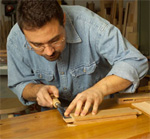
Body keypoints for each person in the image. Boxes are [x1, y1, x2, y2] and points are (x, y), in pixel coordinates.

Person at [7, 0, 148, 117]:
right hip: (53, 115)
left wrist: (98, 90)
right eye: (38, 45)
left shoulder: (91, 26)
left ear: (63, 19)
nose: (49, 52)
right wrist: (37, 90)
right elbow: (20, 82)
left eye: (55, 40)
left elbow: (134, 61)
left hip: (100, 111)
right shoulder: (15, 39)